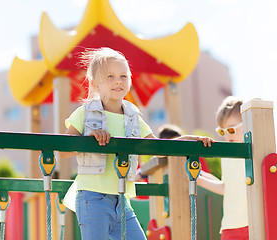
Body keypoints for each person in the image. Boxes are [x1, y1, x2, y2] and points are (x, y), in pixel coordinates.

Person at [58, 47, 215, 240]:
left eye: (123, 76)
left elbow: (158, 148)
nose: (118, 80)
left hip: (122, 199)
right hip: (92, 197)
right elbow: (62, 151)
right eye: (110, 76)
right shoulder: (85, 113)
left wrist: (188, 140)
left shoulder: (133, 117)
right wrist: (88, 138)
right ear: (95, 84)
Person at [197, 96, 249, 240]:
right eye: (222, 131)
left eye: (231, 130)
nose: (227, 134)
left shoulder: (254, 153)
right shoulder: (226, 157)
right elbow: (226, 188)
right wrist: (199, 179)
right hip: (230, 225)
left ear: (248, 124)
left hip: (253, 222)